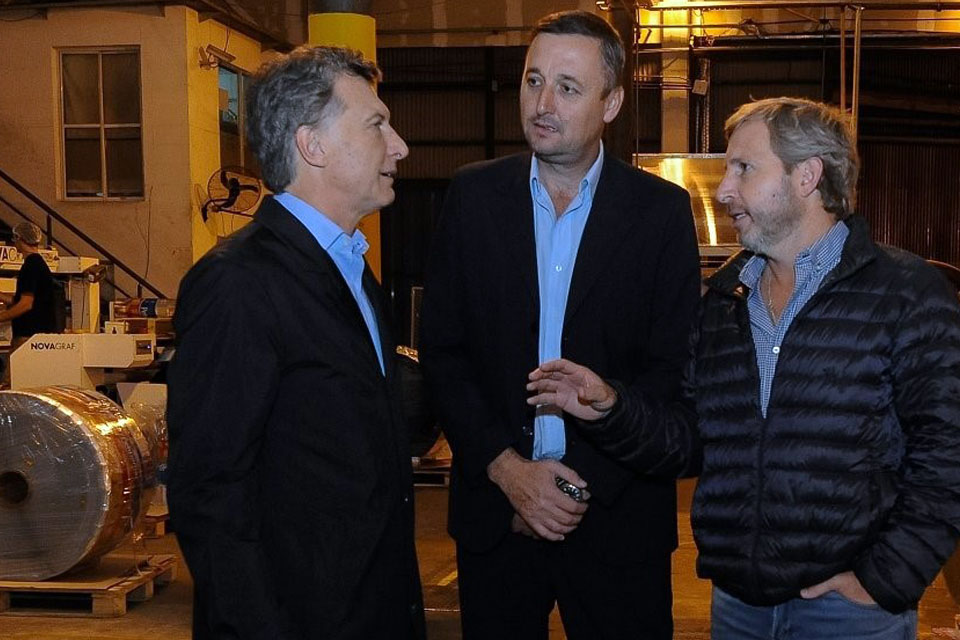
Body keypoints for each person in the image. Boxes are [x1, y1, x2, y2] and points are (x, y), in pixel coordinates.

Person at [527, 97, 960, 640]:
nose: (723, 190)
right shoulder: (724, 302)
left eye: (744, 169)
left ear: (807, 176)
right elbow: (689, 441)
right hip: (739, 607)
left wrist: (884, 579)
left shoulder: (906, 294)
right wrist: (611, 410)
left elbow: (947, 451)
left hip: (851, 612)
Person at [419, 10, 701, 639]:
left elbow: (671, 374)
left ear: (611, 104)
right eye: (533, 80)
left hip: (617, 520)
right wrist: (509, 472)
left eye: (568, 88)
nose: (543, 104)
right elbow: (443, 353)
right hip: (497, 516)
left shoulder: (659, 213)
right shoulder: (472, 197)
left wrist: (568, 493)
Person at [166, 46, 425, 640]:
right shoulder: (238, 283)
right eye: (377, 125)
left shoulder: (352, 271)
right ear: (313, 145)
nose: (399, 146)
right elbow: (210, 491)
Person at [0, 222, 57, 384]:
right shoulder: (39, 265)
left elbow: (25, 304)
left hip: (27, 337)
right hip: (37, 337)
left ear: (19, 238)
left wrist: (2, 317)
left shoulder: (31, 266)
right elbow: (23, 300)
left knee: (12, 384)